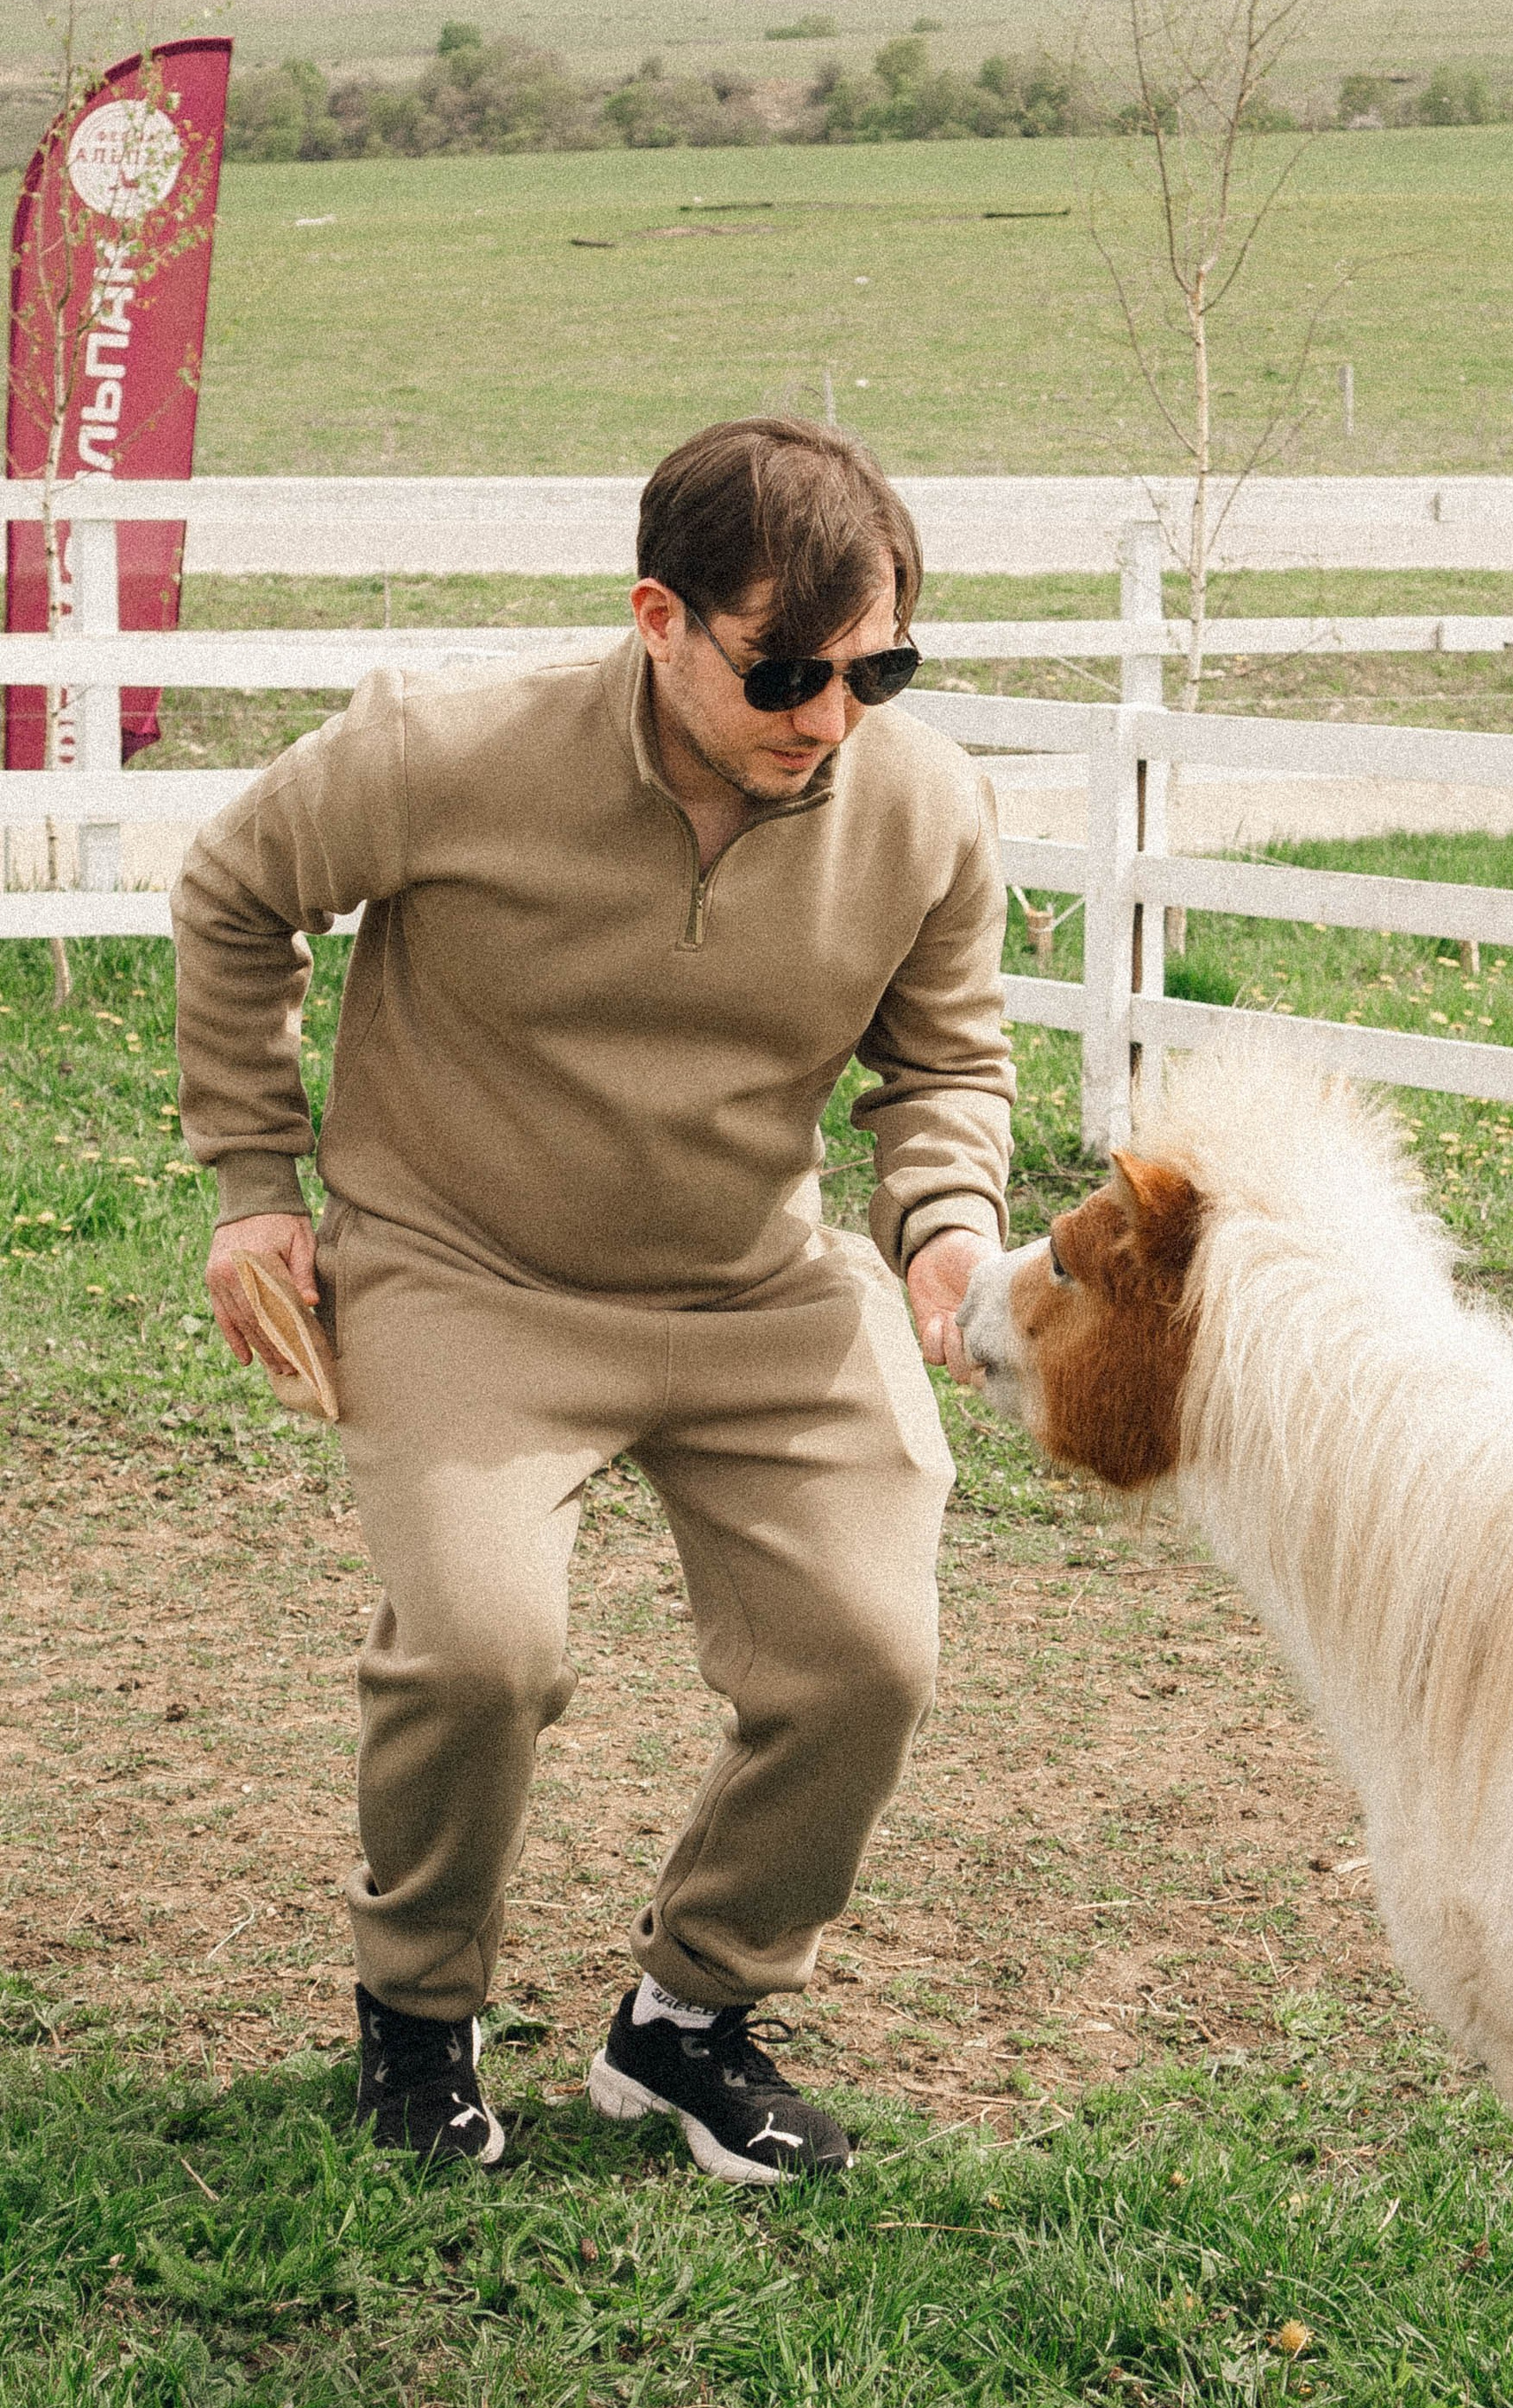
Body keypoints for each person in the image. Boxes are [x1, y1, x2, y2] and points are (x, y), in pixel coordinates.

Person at [172, 417, 1011, 2179]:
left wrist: (942, 1222)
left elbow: (940, 1067)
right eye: (785, 671)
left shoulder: (921, 809)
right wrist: (259, 1190)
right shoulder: (446, 753)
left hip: (752, 1279)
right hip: (466, 1269)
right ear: (659, 619)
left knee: (868, 1657)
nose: (829, 716)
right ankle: (417, 2016)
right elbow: (237, 888)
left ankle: (689, 2024)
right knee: (483, 1651)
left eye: (881, 670)